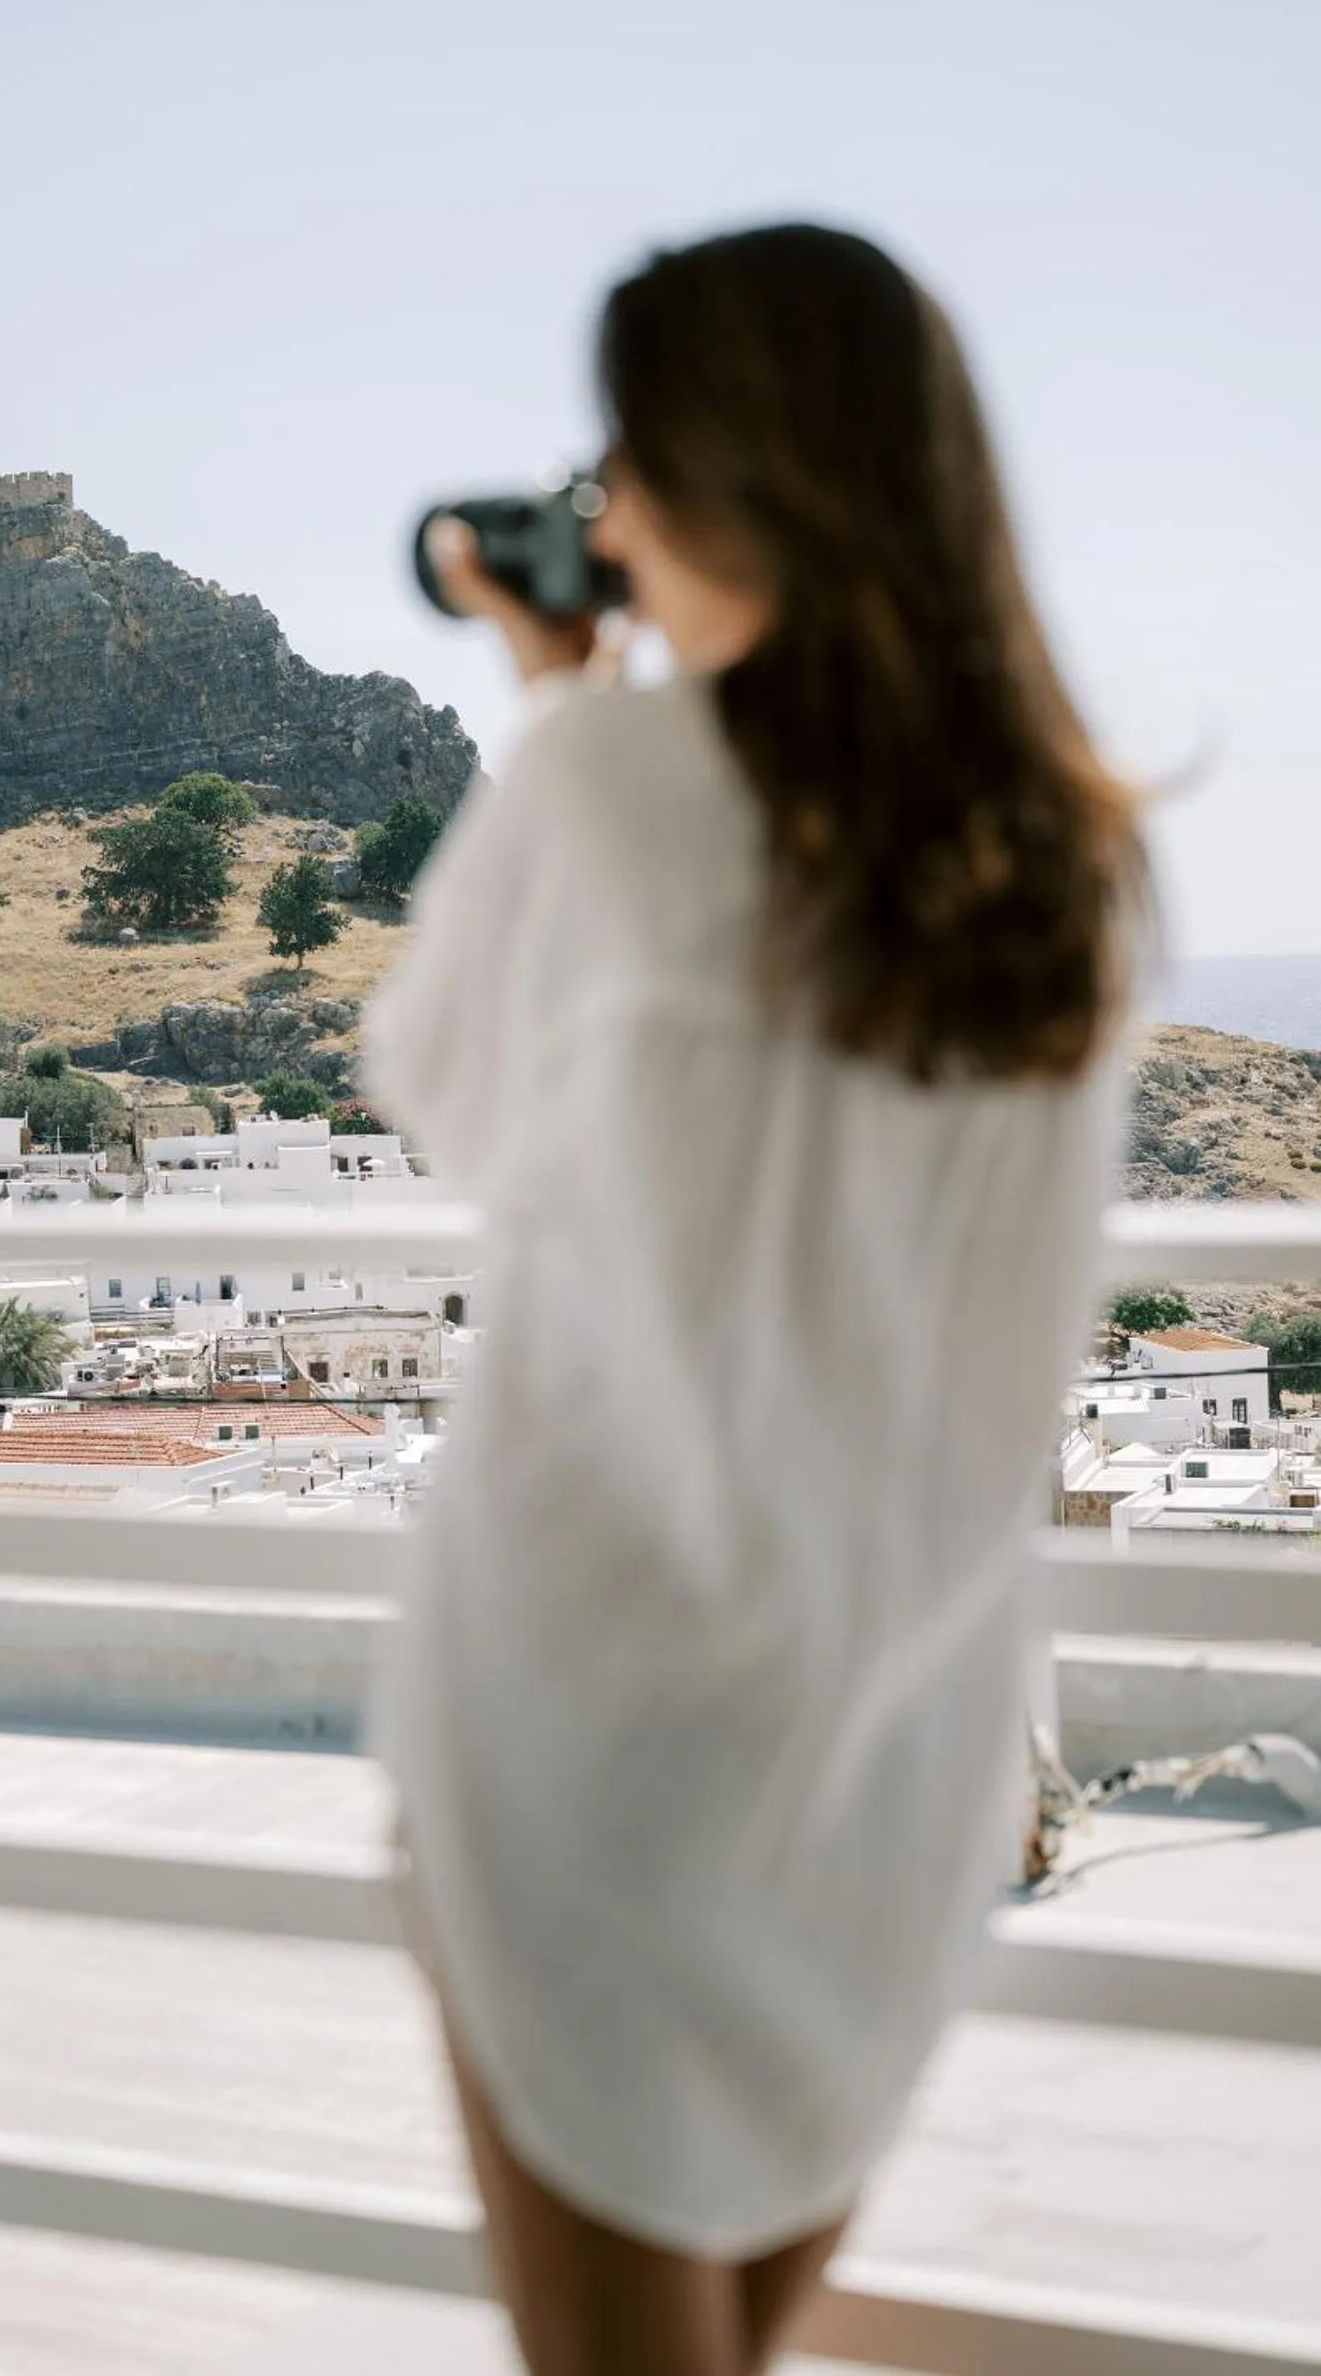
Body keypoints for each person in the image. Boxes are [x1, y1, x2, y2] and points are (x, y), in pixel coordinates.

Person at [362, 221, 1147, 2376]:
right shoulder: (1081, 867)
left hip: (590, 1731)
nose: (600, 511)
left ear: (719, 482)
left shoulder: (613, 783)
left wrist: (553, 709)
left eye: (625, 459)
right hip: (887, 1762)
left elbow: (451, 1105)